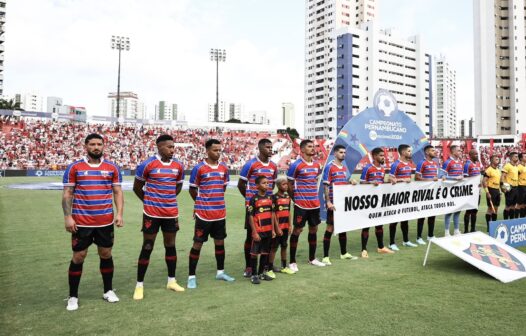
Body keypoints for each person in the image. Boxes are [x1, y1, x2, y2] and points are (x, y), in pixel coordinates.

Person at [62, 133, 124, 311]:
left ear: (103, 146)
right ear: (85, 146)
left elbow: (118, 192)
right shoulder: (75, 167)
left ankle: (108, 291)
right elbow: (67, 194)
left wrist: (119, 214)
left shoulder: (112, 167)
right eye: (92, 144)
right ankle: (73, 296)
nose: (96, 147)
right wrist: (68, 217)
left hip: (105, 221)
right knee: (78, 256)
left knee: (106, 254)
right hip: (81, 222)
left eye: (99, 144)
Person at [132, 134, 185, 300]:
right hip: (151, 213)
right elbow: (137, 187)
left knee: (170, 245)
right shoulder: (147, 164)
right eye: (169, 147)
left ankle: (171, 281)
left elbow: (178, 186)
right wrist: (150, 201)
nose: (172, 150)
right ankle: (139, 285)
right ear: (159, 147)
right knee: (147, 246)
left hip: (170, 213)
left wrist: (166, 200)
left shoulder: (178, 165)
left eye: (173, 147)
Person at [187, 139, 235, 289]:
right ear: (207, 151)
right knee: (198, 244)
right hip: (204, 214)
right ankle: (191, 276)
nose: (218, 153)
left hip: (220, 213)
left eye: (220, 150)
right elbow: (192, 189)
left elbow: (223, 188)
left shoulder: (224, 168)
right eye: (215, 150)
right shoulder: (199, 168)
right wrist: (201, 203)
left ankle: (220, 272)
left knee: (220, 243)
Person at [238, 139, 277, 278]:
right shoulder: (250, 164)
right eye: (267, 147)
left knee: (268, 237)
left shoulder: (273, 165)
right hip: (254, 209)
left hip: (268, 208)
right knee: (251, 237)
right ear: (260, 149)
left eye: (271, 147)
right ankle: (249, 266)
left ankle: (265, 266)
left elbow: (272, 185)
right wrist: (250, 201)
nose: (270, 149)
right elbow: (241, 184)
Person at [287, 139, 325, 272]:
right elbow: (289, 185)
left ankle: (312, 258)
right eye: (309, 146)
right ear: (302, 150)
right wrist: (295, 199)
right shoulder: (296, 165)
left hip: (314, 204)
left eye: (313, 146)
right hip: (301, 205)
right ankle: (292, 261)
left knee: (314, 230)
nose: (313, 148)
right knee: (297, 231)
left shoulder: (316, 165)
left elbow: (315, 180)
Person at [321, 144, 358, 265]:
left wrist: (350, 181)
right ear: (335, 153)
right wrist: (328, 201)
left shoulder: (343, 167)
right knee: (330, 228)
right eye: (341, 152)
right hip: (333, 203)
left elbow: (344, 181)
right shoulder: (329, 167)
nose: (343, 154)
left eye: (344, 152)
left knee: (343, 227)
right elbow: (326, 185)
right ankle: (325, 257)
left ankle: (344, 253)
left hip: (343, 203)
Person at [360, 147, 394, 258]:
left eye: (383, 155)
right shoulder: (367, 168)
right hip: (368, 201)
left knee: (379, 224)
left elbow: (381, 183)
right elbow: (361, 184)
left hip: (379, 201)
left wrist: (388, 181)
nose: (383, 157)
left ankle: (381, 247)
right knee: (366, 225)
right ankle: (363, 249)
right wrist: (370, 182)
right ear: (374, 156)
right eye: (380, 155)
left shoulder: (383, 169)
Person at [247, 176, 276, 284]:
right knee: (254, 253)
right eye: (264, 183)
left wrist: (273, 229)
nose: (266, 185)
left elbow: (272, 214)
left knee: (265, 252)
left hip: (268, 231)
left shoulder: (270, 198)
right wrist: (254, 232)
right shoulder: (253, 199)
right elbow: (250, 216)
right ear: (257, 186)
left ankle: (261, 273)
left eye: (267, 183)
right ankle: (254, 275)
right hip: (258, 231)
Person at [388, 144, 417, 250]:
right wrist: (403, 180)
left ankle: (406, 241)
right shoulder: (396, 164)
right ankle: (391, 243)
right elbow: (390, 179)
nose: (410, 153)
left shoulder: (409, 164)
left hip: (406, 196)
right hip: (396, 197)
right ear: (403, 152)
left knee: (405, 219)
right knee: (394, 219)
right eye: (409, 151)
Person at [269, 176, 295, 274]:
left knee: (284, 246)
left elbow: (288, 212)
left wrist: (290, 225)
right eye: (283, 184)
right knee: (274, 247)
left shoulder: (288, 197)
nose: (286, 186)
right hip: (277, 228)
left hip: (285, 227)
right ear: (278, 185)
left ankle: (284, 266)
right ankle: (269, 268)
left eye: (287, 184)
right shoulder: (274, 197)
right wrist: (277, 228)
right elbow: (273, 214)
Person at [415, 145, 440, 243]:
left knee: (432, 214)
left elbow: (435, 178)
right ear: (426, 152)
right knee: (422, 214)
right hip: (423, 193)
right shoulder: (422, 163)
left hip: (433, 193)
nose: (435, 152)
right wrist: (430, 180)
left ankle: (430, 235)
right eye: (432, 150)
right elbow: (417, 178)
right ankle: (419, 237)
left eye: (435, 150)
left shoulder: (434, 163)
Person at [441, 145, 464, 236]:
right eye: (458, 150)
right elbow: (442, 177)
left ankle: (456, 230)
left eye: (460, 150)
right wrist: (455, 178)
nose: (460, 152)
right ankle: (447, 232)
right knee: (449, 211)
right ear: (453, 152)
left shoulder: (461, 162)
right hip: (450, 190)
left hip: (459, 190)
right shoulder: (448, 162)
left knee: (458, 210)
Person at [462, 149, 483, 233]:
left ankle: (473, 229)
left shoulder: (477, 164)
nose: (477, 156)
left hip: (478, 191)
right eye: (475, 154)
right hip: (471, 191)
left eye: (477, 154)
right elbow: (465, 178)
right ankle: (466, 230)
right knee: (468, 210)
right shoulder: (467, 164)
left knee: (475, 210)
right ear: (470, 155)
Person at [482, 155, 501, 231]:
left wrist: (499, 191)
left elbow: (498, 182)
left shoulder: (498, 170)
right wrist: (487, 192)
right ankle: (488, 226)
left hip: (497, 191)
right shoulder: (488, 170)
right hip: (491, 190)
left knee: (495, 208)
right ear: (492, 160)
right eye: (496, 159)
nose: (498, 160)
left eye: (498, 159)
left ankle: (494, 225)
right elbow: (484, 182)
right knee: (490, 209)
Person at [501, 152, 520, 219]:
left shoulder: (516, 166)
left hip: (516, 187)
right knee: (508, 206)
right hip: (509, 187)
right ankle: (506, 221)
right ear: (511, 158)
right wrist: (505, 187)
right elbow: (502, 177)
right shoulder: (507, 166)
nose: (517, 158)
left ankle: (511, 221)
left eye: (517, 156)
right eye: (515, 156)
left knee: (513, 205)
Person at [518, 153, 526, 218]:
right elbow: (516, 176)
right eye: (525, 156)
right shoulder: (519, 167)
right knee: (521, 204)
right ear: (521, 158)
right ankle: (521, 219)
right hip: (521, 187)